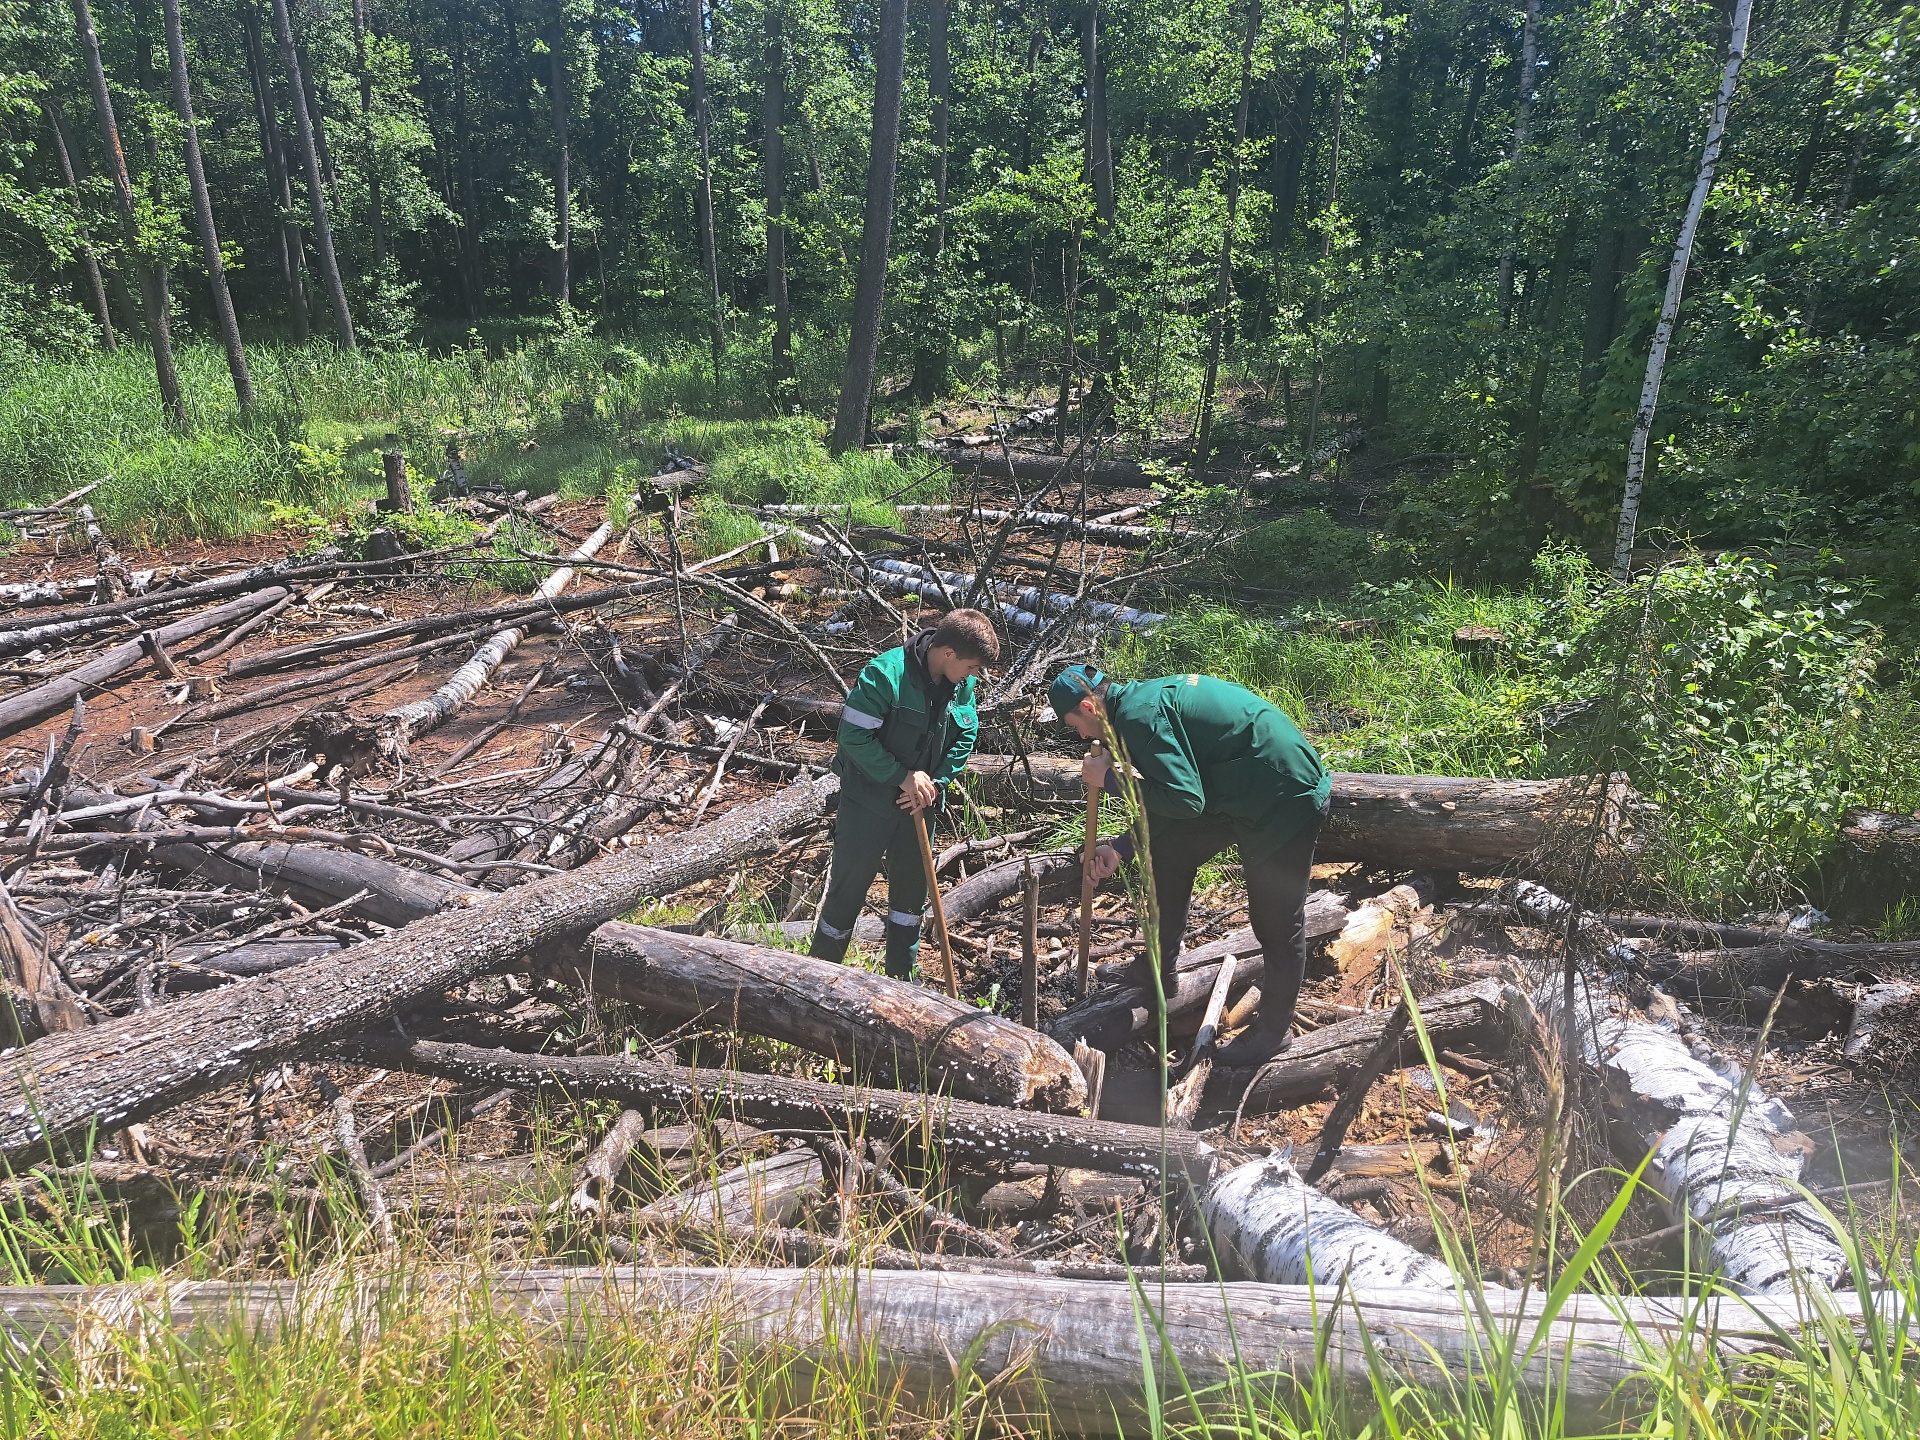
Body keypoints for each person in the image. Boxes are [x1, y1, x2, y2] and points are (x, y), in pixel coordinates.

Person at [1047, 663, 1331, 1065]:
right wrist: (1122, 848)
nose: (1079, 735)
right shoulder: (1135, 707)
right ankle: (1158, 971)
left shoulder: (1139, 719)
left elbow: (1184, 800)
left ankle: (1273, 1032)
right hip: (1234, 790)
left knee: (1276, 921)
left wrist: (1111, 781)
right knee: (1170, 851)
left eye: (1074, 723)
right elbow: (1179, 800)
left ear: (1089, 707)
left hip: (1284, 797)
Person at [810, 610, 1001, 979]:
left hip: (920, 805)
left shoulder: (961, 685)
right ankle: (820, 977)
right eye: (973, 667)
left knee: (910, 898)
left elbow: (965, 736)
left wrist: (934, 784)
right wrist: (902, 777)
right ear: (948, 654)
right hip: (867, 802)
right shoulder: (885, 675)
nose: (975, 676)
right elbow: (853, 738)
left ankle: (901, 980)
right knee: (847, 891)